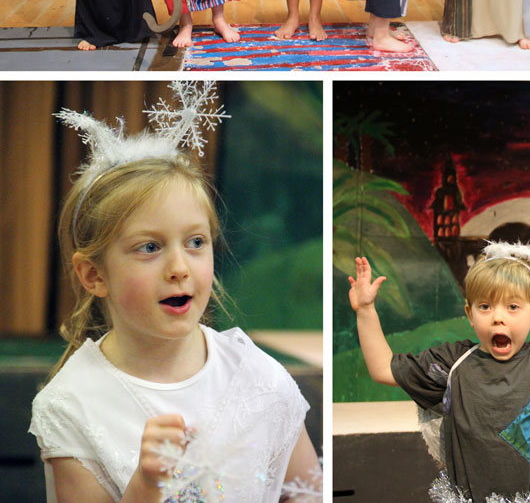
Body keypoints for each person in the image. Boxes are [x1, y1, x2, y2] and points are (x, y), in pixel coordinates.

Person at [29, 84, 320, 503]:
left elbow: (307, 493)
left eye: (196, 242)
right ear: (94, 275)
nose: (180, 268)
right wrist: (146, 487)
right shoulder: (72, 405)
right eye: (149, 247)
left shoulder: (259, 379)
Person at [349, 242, 530, 502]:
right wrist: (365, 311)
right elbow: (383, 369)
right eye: (485, 306)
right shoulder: (453, 363)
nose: (498, 316)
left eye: (513, 307)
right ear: (470, 315)